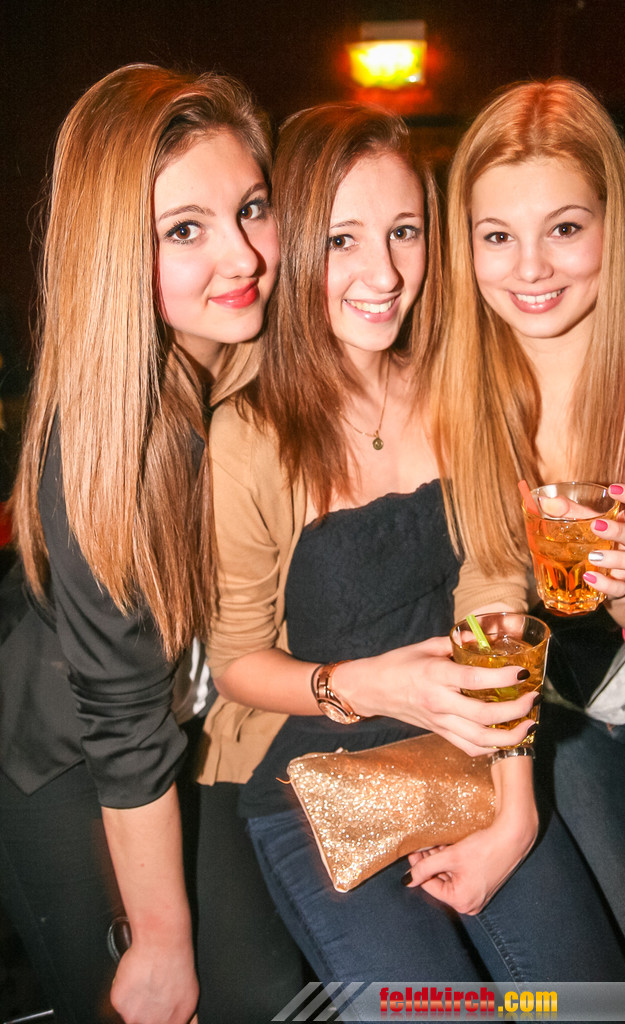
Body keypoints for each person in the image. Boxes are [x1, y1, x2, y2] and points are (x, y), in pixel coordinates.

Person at [198, 101, 625, 1005]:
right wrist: (373, 686)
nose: (384, 273)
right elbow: (237, 662)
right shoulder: (247, 437)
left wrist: (515, 813)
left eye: (404, 231)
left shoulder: (456, 386)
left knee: (589, 997)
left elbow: (493, 590)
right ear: (295, 247)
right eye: (342, 240)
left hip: (478, 746)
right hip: (317, 776)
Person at [0, 63, 285, 1024]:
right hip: (74, 758)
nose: (242, 256)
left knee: (266, 989)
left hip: (194, 725)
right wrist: (161, 944)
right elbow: (120, 726)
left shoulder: (260, 370)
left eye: (252, 208)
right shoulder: (103, 439)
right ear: (116, 253)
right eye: (184, 230)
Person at [437, 77, 625, 980]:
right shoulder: (459, 386)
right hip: (554, 714)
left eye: (565, 228)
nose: (530, 268)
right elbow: (487, 587)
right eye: (498, 235)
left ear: (616, 225)